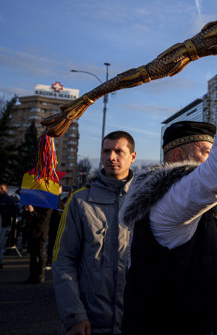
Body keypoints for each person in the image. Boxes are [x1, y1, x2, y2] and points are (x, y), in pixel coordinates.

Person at [119, 56, 217, 335]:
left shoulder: (177, 197)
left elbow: (185, 259)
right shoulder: (167, 197)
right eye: (206, 153)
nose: (211, 160)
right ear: (178, 156)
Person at [52, 130, 137, 335]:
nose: (111, 157)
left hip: (137, 320)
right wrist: (74, 316)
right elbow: (63, 260)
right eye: (106, 151)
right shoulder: (80, 201)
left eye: (119, 151)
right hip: (91, 322)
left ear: (132, 157)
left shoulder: (147, 199)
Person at [23, 203, 52, 283]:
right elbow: (25, 216)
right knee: (32, 254)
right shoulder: (33, 202)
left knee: (40, 253)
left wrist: (32, 212)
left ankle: (40, 275)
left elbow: (44, 218)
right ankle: (32, 275)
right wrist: (27, 211)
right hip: (32, 231)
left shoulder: (48, 204)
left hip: (41, 231)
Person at [0, 184, 20, 270]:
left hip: (3, 224)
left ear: (5, 189)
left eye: (1, 188)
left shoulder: (8, 199)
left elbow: (15, 209)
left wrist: (6, 216)